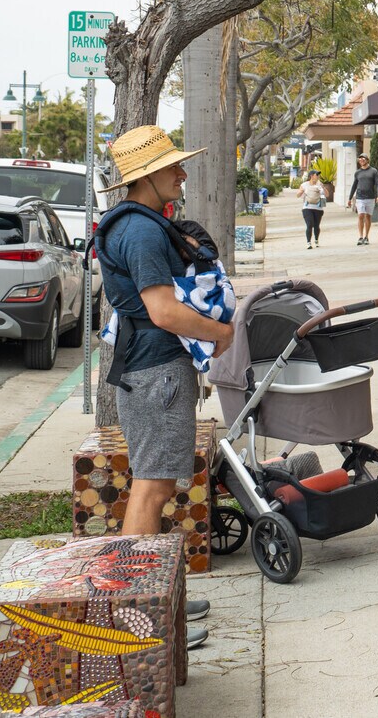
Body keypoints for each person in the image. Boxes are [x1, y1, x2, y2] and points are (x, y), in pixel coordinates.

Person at [92, 127, 232, 643]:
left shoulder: (132, 224)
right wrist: (220, 333)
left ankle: (157, 594)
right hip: (155, 371)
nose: (183, 172)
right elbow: (164, 310)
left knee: (155, 481)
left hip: (147, 368)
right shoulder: (144, 232)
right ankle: (139, 618)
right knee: (151, 488)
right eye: (174, 165)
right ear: (147, 174)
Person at [347, 154, 378, 247]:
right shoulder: (357, 172)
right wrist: (350, 198)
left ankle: (366, 236)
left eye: (363, 158)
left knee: (368, 217)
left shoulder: (373, 171)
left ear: (367, 160)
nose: (361, 160)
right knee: (361, 215)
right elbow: (354, 185)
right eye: (360, 159)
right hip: (360, 197)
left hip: (370, 197)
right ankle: (361, 237)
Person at [298, 170, 326, 248]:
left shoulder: (320, 185)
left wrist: (323, 188)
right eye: (316, 175)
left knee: (316, 226)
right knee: (309, 224)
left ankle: (316, 240)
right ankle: (308, 242)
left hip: (318, 208)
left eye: (318, 175)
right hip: (307, 208)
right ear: (311, 176)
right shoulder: (304, 185)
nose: (318, 176)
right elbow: (297, 195)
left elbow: (326, 195)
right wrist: (301, 192)